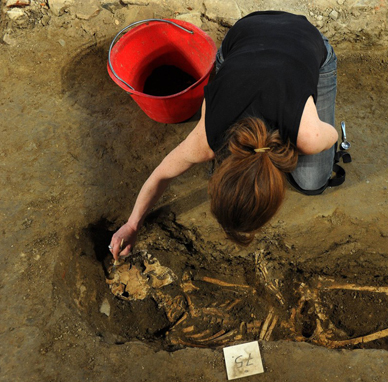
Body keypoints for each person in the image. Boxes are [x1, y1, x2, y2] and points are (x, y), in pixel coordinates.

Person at [109, 11, 339, 259]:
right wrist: (132, 225)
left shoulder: (310, 137)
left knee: (313, 183)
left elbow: (332, 134)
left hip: (305, 41)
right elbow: (162, 174)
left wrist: (299, 135)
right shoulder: (207, 138)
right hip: (243, 37)